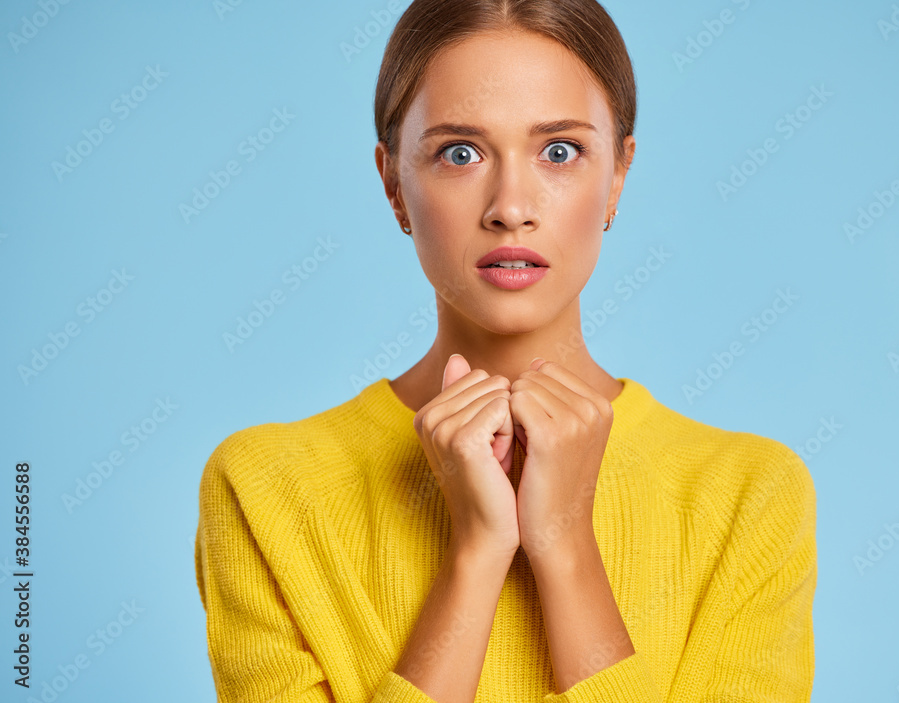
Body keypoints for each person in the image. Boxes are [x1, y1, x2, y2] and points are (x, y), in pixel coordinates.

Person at [194, 1, 817, 701]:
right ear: (394, 183)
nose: (510, 205)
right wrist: (475, 553)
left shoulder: (750, 497)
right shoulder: (264, 489)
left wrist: (565, 544)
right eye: (460, 153)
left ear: (617, 175)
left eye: (559, 151)